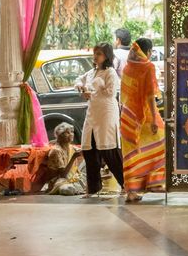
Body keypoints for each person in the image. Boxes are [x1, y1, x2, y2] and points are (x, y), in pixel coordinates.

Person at [119, 37, 165, 203]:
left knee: (131, 154)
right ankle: (155, 183)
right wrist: (154, 118)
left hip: (128, 115)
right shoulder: (148, 67)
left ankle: (132, 191)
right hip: (144, 116)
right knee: (161, 143)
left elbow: (124, 95)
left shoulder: (127, 68)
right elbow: (150, 96)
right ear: (149, 52)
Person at [75, 43, 124, 196]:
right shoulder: (91, 72)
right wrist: (81, 89)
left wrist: (96, 87)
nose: (96, 56)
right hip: (92, 113)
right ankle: (94, 187)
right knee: (88, 149)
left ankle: (126, 184)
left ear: (106, 56)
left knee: (108, 149)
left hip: (106, 113)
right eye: (95, 53)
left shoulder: (110, 72)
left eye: (100, 54)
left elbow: (110, 93)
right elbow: (79, 80)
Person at [44, 123, 86, 196]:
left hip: (73, 177)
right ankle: (77, 188)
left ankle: (80, 187)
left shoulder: (70, 147)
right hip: (59, 181)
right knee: (67, 190)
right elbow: (63, 175)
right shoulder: (56, 151)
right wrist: (74, 157)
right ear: (60, 135)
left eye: (72, 132)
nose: (71, 134)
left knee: (87, 162)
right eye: (67, 132)